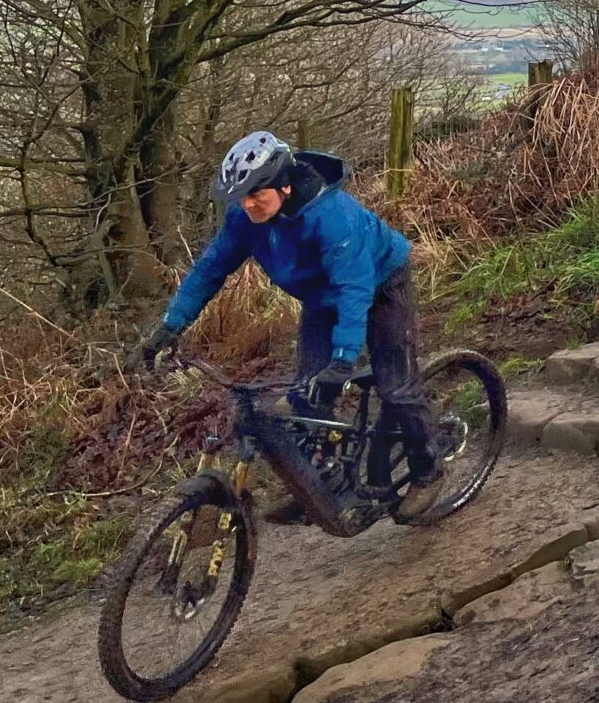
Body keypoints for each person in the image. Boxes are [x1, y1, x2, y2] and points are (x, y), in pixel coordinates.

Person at [135, 131, 437, 506]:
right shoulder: (246, 219)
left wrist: (343, 360)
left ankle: (428, 472)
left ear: (285, 187)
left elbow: (353, 291)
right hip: (320, 296)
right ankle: (325, 485)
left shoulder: (332, 217)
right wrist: (169, 326)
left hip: (381, 284)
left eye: (257, 194)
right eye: (241, 197)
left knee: (397, 388)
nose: (248, 204)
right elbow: (210, 269)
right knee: (306, 395)